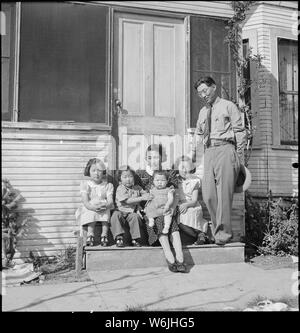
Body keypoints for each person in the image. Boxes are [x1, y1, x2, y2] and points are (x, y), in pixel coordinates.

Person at [191, 76, 246, 245]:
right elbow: (199, 134)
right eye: (200, 93)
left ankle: (223, 235)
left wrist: (238, 155)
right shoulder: (202, 111)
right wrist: (193, 152)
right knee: (208, 195)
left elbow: (239, 131)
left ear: (213, 87)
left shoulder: (228, 106)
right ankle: (219, 231)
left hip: (226, 149)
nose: (203, 95)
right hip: (209, 152)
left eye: (205, 91)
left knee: (224, 195)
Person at [135, 144, 187, 273]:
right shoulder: (139, 174)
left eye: (156, 157)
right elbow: (135, 193)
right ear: (146, 158)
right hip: (151, 214)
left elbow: (175, 196)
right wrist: (137, 207)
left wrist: (172, 208)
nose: (153, 160)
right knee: (159, 221)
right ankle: (170, 258)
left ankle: (180, 259)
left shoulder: (169, 174)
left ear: (162, 158)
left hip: (168, 210)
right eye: (150, 157)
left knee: (172, 224)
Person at [75, 158, 114, 247]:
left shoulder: (107, 185)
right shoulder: (86, 185)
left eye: (99, 171)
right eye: (93, 170)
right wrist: (92, 207)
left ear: (103, 172)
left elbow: (110, 200)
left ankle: (104, 235)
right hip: (90, 207)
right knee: (91, 213)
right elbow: (85, 201)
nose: (96, 173)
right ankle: (90, 234)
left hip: (103, 206)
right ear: (89, 171)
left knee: (106, 213)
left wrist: (106, 205)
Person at [110, 165, 151, 247]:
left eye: (130, 176)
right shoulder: (120, 188)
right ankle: (119, 237)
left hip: (132, 212)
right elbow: (127, 201)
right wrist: (142, 198)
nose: (128, 179)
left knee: (135, 217)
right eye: (125, 177)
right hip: (121, 211)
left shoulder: (137, 188)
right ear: (120, 179)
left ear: (134, 178)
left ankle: (135, 239)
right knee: (115, 216)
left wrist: (149, 195)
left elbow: (145, 194)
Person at [173, 155, 209, 245]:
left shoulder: (194, 181)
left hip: (192, 205)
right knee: (179, 220)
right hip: (179, 205)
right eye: (182, 167)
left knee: (188, 214)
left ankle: (201, 235)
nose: (185, 170)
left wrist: (186, 205)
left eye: (187, 168)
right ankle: (200, 235)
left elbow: (194, 200)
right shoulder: (175, 181)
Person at [144, 170, 175, 235]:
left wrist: (168, 205)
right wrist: (146, 205)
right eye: (157, 180)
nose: (160, 182)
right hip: (154, 208)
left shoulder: (169, 190)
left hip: (164, 207)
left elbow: (171, 198)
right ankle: (151, 220)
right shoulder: (152, 189)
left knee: (168, 216)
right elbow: (149, 199)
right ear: (153, 181)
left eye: (162, 180)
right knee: (148, 211)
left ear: (167, 181)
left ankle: (166, 227)